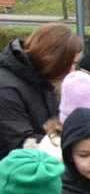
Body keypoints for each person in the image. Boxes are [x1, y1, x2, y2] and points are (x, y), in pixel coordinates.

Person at [0, 23, 82, 160]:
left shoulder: (39, 80)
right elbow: (23, 143)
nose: (72, 70)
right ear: (53, 60)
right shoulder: (6, 88)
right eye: (70, 63)